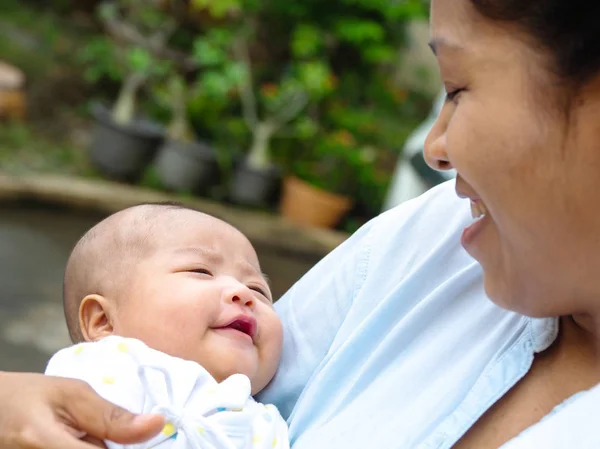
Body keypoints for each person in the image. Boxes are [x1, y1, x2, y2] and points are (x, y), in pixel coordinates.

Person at [1, 0, 600, 447]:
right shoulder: (433, 239)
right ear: (100, 320)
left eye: (459, 88)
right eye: (196, 271)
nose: (434, 148)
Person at [45, 204, 288, 449]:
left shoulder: (268, 423)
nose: (244, 293)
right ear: (103, 321)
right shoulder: (107, 368)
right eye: (200, 271)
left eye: (259, 290)